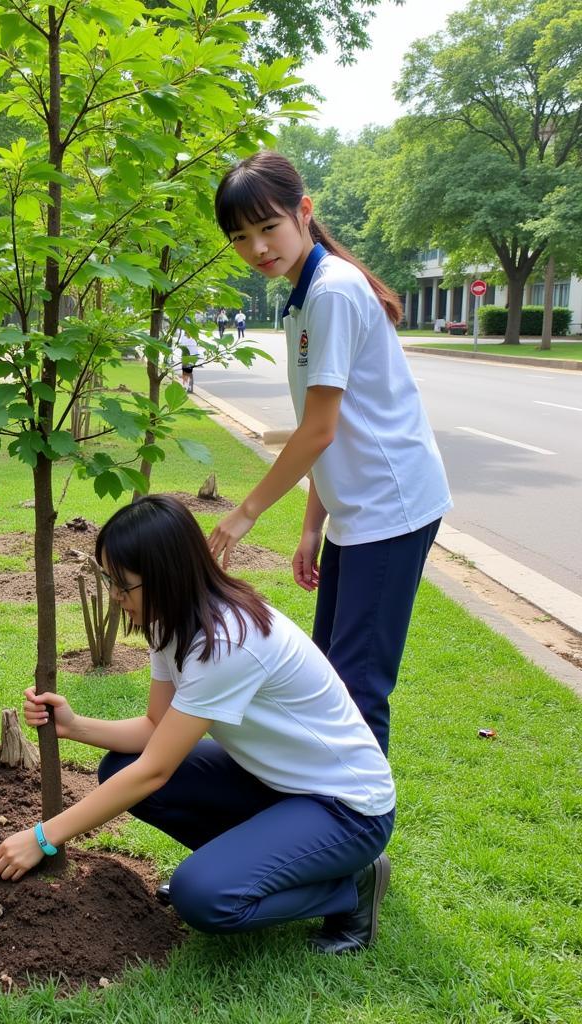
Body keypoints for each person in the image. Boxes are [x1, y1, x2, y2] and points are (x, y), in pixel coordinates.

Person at [0, 496, 395, 955]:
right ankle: (249, 866)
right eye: (109, 580)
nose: (116, 596)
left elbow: (156, 770)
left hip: (348, 809)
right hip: (279, 784)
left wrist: (43, 837)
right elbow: (154, 727)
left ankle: (350, 886)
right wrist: (74, 725)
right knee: (120, 768)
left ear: (165, 575)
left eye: (123, 584)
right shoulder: (172, 621)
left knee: (202, 897)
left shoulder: (224, 642)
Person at [207, 151, 452, 755]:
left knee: (358, 687)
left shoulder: (332, 292)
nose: (258, 248)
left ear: (304, 213)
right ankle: (341, 822)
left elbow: (317, 431)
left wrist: (246, 513)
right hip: (357, 514)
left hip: (392, 509)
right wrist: (315, 528)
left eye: (269, 227)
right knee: (333, 678)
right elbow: (327, 430)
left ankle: (361, 838)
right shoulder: (302, 295)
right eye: (241, 238)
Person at [177, 324, 201, 394]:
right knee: (185, 372)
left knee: (189, 372)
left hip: (191, 357)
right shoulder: (184, 338)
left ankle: (189, 387)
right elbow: (181, 345)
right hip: (185, 357)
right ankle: (186, 386)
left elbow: (195, 349)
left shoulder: (193, 338)